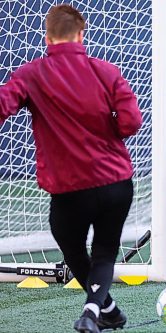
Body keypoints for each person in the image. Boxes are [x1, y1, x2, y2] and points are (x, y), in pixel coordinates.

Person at [0, 4, 142, 333]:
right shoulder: (106, 71)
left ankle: (100, 310)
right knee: (105, 250)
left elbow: (3, 106)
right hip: (115, 182)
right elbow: (132, 122)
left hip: (69, 189)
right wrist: (111, 132)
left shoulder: (30, 75)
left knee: (72, 248)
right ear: (82, 34)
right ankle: (100, 310)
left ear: (47, 37)